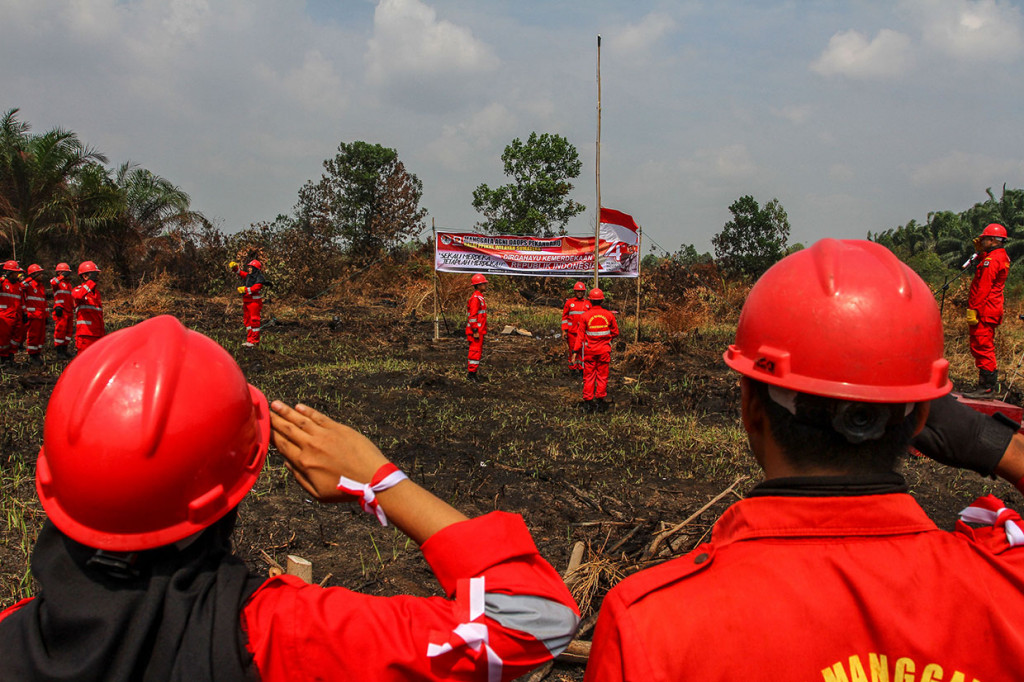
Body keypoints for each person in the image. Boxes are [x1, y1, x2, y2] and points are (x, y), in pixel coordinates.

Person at [0, 315, 580, 681]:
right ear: (229, 493)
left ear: (53, 480)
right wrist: (378, 480)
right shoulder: (278, 635)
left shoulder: (14, 635)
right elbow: (534, 619)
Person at [584, 239, 1024, 682]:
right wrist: (994, 444)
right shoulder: (1004, 588)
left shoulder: (651, 625)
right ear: (922, 416)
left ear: (750, 409)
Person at [965, 222, 1011, 398]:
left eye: (984, 239)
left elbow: (984, 286)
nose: (981, 241)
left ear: (993, 240)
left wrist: (974, 309)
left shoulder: (992, 260)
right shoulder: (997, 256)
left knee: (983, 346)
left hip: (985, 309)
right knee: (981, 345)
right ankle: (984, 385)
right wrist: (981, 253)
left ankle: (987, 387)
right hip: (989, 309)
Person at [573, 289, 619, 413]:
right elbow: (615, 332)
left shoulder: (585, 316)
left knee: (588, 377)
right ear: (602, 300)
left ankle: (588, 403)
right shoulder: (609, 315)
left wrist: (575, 352)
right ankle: (600, 402)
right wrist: (607, 340)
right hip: (604, 351)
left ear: (590, 300)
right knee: (602, 376)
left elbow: (580, 336)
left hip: (589, 352)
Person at [232, 259, 266, 347]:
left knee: (254, 321)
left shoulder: (259, 278)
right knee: (247, 321)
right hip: (247, 302)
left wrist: (245, 289)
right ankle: (249, 340)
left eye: (251, 267)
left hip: (254, 303)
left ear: (255, 268)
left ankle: (255, 341)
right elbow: (241, 273)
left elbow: (256, 288)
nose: (249, 269)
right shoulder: (249, 276)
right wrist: (235, 268)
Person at [71, 261, 104, 354]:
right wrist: (90, 282)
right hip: (85, 336)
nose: (97, 278)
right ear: (85, 276)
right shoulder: (77, 290)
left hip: (98, 335)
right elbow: (78, 296)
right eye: (94, 275)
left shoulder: (96, 293)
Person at [19, 264, 48, 365]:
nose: (41, 275)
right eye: (39, 273)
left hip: (41, 315)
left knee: (41, 337)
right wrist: (29, 278)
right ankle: (32, 355)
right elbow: (21, 286)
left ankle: (37, 353)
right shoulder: (29, 285)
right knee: (33, 336)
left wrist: (47, 314)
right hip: (33, 315)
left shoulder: (41, 287)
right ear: (34, 274)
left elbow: (44, 301)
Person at [562, 281, 590, 376]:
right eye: (578, 291)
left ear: (584, 292)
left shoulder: (588, 304)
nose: (579, 293)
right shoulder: (569, 303)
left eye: (581, 291)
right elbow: (564, 317)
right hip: (572, 332)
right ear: (575, 292)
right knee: (572, 350)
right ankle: (572, 369)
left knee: (583, 351)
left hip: (583, 333)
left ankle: (582, 369)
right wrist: (564, 330)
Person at [0, 260, 23, 366]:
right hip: (5, 315)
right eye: (14, 272)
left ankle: (11, 355)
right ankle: (3, 358)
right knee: (4, 338)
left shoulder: (18, 286)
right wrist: (2, 278)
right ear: (8, 273)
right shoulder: (3, 283)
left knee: (16, 337)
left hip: (16, 315)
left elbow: (21, 300)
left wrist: (24, 313)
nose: (17, 274)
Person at [466, 273, 488, 380]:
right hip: (476, 331)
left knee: (477, 352)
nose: (485, 285)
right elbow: (472, 316)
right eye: (483, 283)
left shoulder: (479, 297)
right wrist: (475, 329)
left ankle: (473, 372)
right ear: (478, 285)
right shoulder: (476, 298)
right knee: (474, 352)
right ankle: (471, 374)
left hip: (479, 330)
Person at [50, 262, 74, 357]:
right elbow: (53, 282)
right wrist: (62, 276)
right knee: (60, 330)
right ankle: (59, 350)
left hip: (69, 310)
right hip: (61, 310)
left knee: (68, 331)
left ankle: (65, 349)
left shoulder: (69, 285)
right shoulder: (57, 282)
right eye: (66, 273)